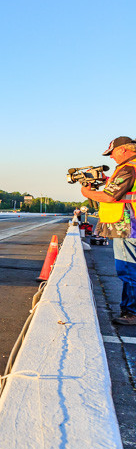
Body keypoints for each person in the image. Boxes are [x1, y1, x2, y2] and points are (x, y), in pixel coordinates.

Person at [81, 136, 136, 325]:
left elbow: (110, 196)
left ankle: (131, 312)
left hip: (128, 227)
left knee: (128, 268)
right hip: (130, 225)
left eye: (112, 153)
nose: (111, 157)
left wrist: (87, 193)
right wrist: (106, 179)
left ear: (123, 150)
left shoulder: (129, 168)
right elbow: (123, 188)